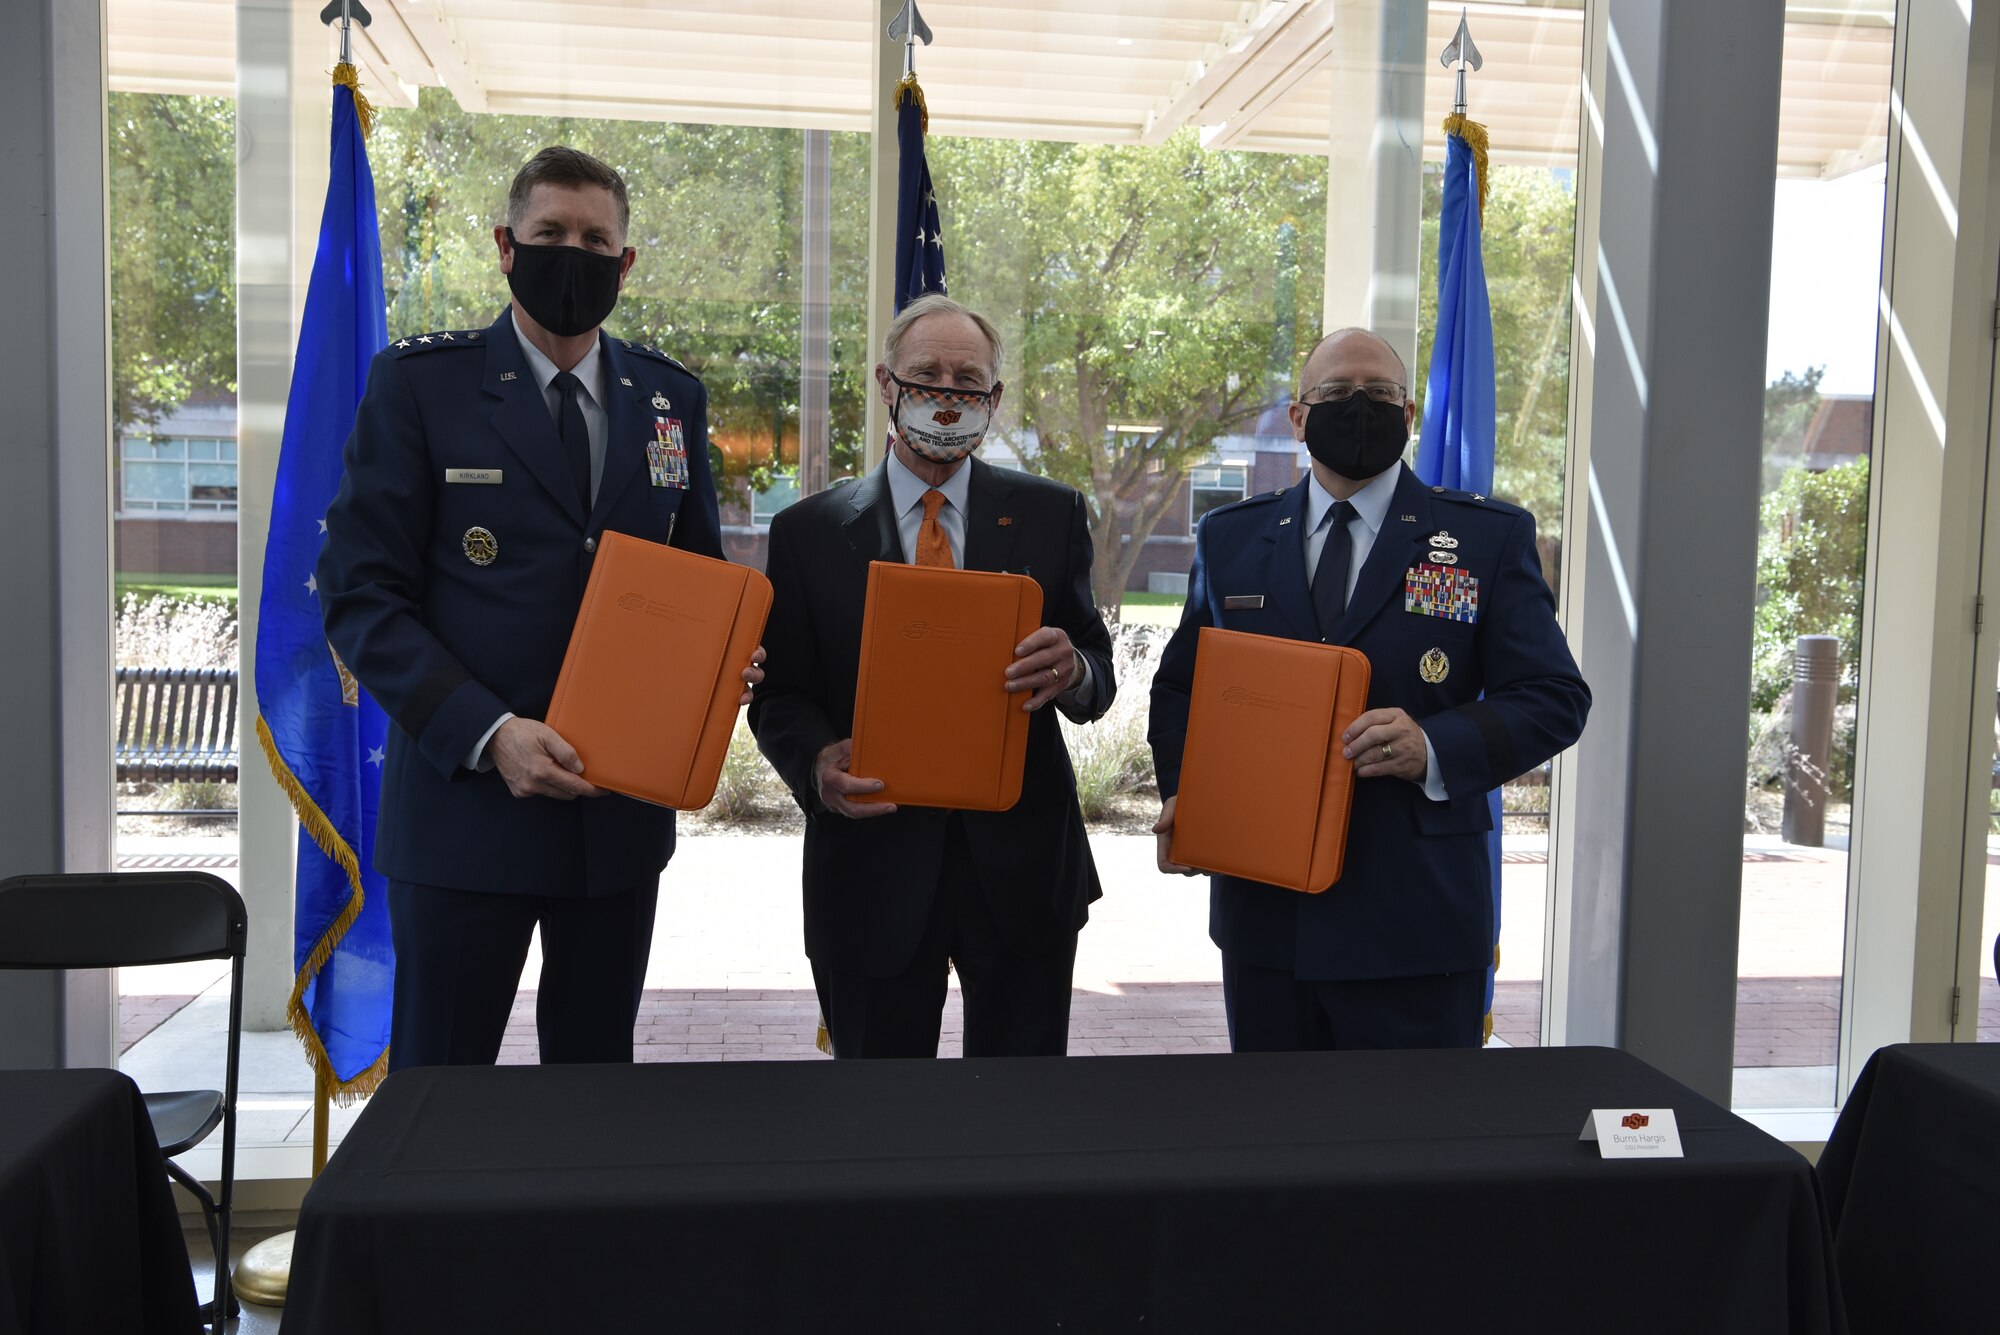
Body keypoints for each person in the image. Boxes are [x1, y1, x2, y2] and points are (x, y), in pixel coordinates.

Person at [317, 146, 759, 1070]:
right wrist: (490, 731)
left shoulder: (669, 396)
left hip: (616, 820)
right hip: (465, 812)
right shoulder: (421, 386)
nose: (575, 252)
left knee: (593, 1096)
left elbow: (695, 573)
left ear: (627, 263)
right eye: (551, 233)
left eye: (597, 238)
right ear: (505, 246)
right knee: (445, 1091)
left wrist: (722, 661)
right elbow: (363, 595)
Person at [1148, 326, 1589, 1051]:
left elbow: (1554, 696)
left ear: (1409, 413)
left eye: (1379, 394)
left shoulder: (1485, 538)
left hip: (1417, 926)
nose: (1359, 407)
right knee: (1274, 1147)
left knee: (1410, 1155)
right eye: (1335, 394)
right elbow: (1182, 688)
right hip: (1268, 919)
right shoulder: (1229, 539)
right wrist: (1183, 798)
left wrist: (1434, 744)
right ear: (1297, 416)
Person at [749, 293, 1116, 1058]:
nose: (947, 395)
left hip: (1021, 871)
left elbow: (1096, 668)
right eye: (927, 375)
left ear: (995, 398)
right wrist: (816, 762)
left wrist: (1074, 670)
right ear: (886, 382)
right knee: (878, 1125)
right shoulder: (807, 533)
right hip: (870, 867)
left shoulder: (1051, 515)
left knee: (1019, 1118)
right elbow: (780, 695)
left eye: (967, 379)